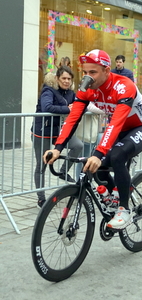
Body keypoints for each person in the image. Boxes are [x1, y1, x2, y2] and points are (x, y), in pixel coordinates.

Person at [43, 49, 142, 230]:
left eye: (93, 72)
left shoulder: (123, 85)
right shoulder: (88, 88)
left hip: (141, 127)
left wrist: (98, 152)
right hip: (119, 130)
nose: (88, 77)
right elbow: (73, 118)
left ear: (106, 70)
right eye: (85, 72)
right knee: (96, 168)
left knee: (117, 155)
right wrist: (57, 148)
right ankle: (114, 196)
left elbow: (116, 123)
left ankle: (124, 209)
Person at [31, 66, 83, 208]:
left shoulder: (71, 93)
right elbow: (47, 107)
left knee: (78, 145)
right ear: (57, 78)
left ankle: (62, 172)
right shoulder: (48, 90)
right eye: (63, 78)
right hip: (42, 132)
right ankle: (41, 198)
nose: (66, 81)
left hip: (60, 132)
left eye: (69, 79)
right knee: (41, 165)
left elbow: (78, 105)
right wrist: (68, 109)